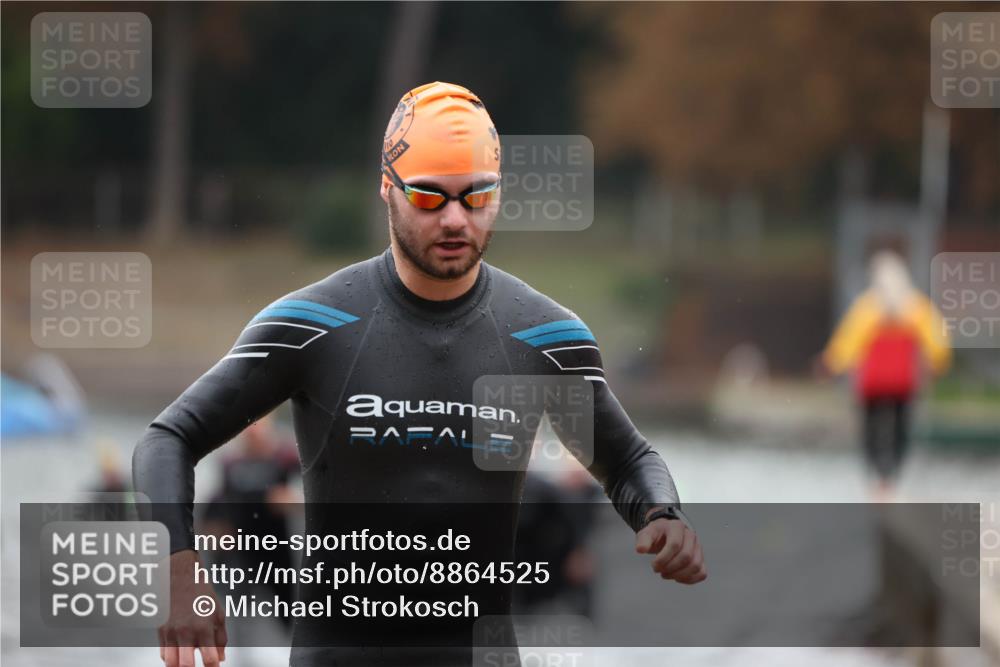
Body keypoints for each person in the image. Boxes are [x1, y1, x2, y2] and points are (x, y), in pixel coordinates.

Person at [133, 81, 706, 667]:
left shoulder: (543, 338)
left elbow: (629, 462)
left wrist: (664, 515)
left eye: (476, 197)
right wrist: (179, 568)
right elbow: (168, 439)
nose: (455, 219)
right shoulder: (314, 325)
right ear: (388, 189)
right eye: (431, 198)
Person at [821, 250, 951, 500]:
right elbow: (937, 339)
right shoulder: (916, 308)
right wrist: (938, 363)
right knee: (899, 430)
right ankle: (891, 478)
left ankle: (878, 479)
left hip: (874, 383)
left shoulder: (868, 309)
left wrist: (831, 364)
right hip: (902, 383)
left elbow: (848, 341)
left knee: (872, 430)